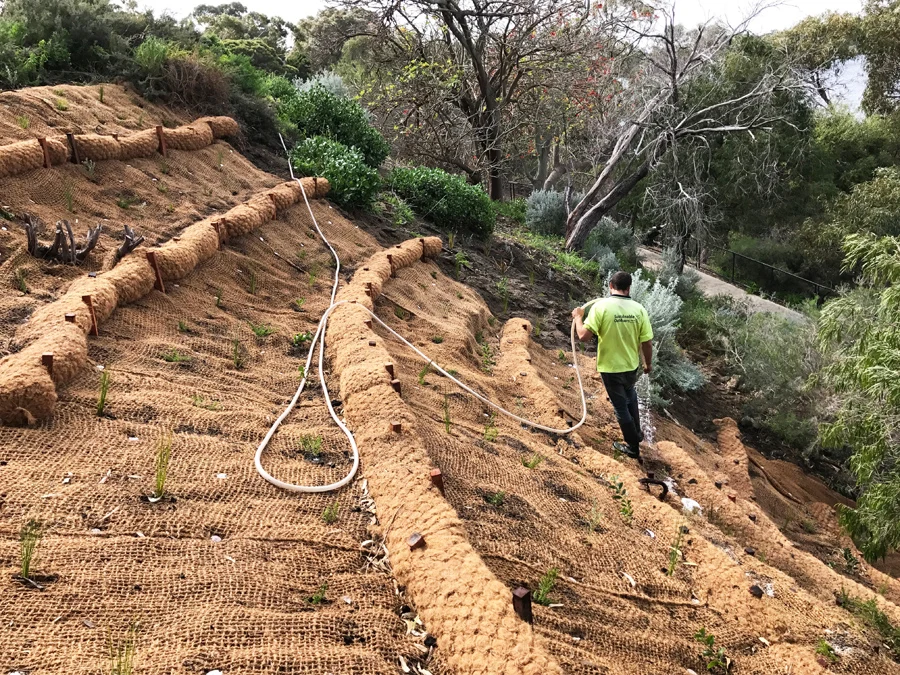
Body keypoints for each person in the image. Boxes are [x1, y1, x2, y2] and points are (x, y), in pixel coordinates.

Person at [571, 271, 653, 460]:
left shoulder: (601, 308)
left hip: (610, 367)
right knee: (630, 395)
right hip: (631, 365)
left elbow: (583, 336)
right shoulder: (639, 309)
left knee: (620, 406)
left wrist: (578, 317)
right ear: (629, 288)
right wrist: (647, 364)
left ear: (610, 286)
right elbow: (647, 343)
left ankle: (632, 446)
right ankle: (637, 433)